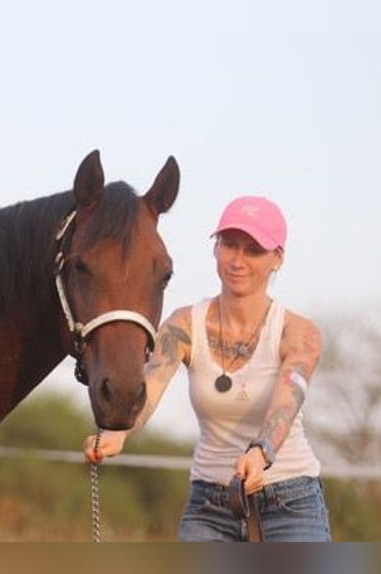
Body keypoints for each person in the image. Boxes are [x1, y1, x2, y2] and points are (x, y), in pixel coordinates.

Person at [83, 195, 331, 542]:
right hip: (209, 504)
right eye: (229, 245)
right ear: (215, 248)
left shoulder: (299, 333)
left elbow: (286, 404)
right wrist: (119, 430)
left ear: (277, 258)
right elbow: (151, 385)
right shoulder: (184, 325)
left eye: (254, 250)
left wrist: (262, 453)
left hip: (290, 500)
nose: (238, 260)